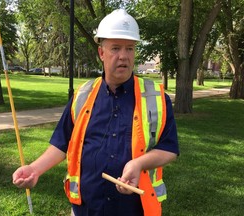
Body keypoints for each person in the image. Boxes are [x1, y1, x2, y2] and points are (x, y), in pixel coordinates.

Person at [12, 9, 179, 216]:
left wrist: (139, 163)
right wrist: (35, 169)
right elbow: (61, 143)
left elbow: (169, 148)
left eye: (130, 49)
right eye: (115, 48)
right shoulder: (83, 94)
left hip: (135, 209)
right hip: (86, 209)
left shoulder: (155, 97)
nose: (123, 56)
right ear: (101, 53)